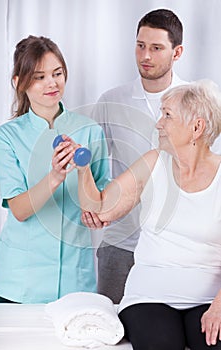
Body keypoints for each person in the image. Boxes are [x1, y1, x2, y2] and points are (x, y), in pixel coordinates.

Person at [71, 79, 221, 349]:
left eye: (167, 115)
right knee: (160, 344)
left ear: (196, 128)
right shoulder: (153, 162)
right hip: (148, 297)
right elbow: (100, 207)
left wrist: (219, 306)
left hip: (210, 299)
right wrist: (82, 166)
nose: (158, 124)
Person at [0, 35, 110, 304]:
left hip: (75, 281)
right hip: (19, 284)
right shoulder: (6, 136)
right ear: (19, 83)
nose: (51, 83)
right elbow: (19, 210)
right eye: (39, 77)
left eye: (57, 73)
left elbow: (103, 204)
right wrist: (55, 176)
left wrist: (84, 173)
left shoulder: (90, 131)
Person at [82, 8, 188, 304]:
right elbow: (95, 167)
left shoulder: (196, 101)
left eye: (156, 48)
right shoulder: (111, 101)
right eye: (140, 46)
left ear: (177, 52)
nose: (146, 56)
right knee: (108, 327)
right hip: (120, 242)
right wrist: (94, 205)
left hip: (176, 244)